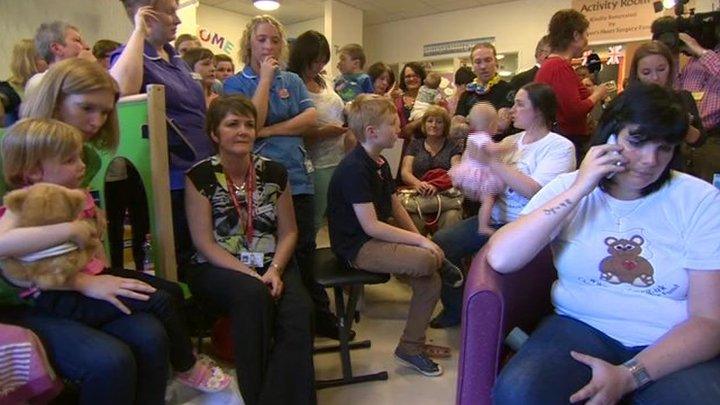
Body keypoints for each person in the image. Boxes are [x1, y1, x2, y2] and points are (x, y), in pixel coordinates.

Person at [489, 83, 720, 405]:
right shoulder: (570, 187)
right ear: (610, 134)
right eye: (637, 141)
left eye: (664, 148)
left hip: (669, 337)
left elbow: (709, 321)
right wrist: (581, 187)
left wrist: (630, 375)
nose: (650, 160)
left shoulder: (700, 200)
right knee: (518, 392)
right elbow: (501, 258)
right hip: (580, 325)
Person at [0, 118, 228, 404]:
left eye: (79, 157)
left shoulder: (75, 195)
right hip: (56, 293)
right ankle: (186, 365)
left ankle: (178, 360)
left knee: (169, 291)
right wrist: (70, 230)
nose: (82, 165)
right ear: (33, 172)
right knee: (159, 302)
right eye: (70, 160)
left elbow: (94, 248)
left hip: (91, 274)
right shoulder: (26, 201)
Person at [185, 96, 315, 405]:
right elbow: (203, 242)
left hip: (273, 262)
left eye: (248, 124)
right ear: (214, 134)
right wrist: (251, 275)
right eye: (232, 124)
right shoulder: (199, 176)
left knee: (299, 313)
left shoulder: (274, 171)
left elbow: (289, 232)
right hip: (217, 265)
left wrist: (275, 270)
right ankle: (255, 394)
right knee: (252, 297)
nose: (243, 131)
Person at [223, 15, 344, 339]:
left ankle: (311, 316)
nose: (269, 46)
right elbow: (250, 120)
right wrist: (264, 80)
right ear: (249, 42)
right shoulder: (235, 84)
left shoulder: (291, 79)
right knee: (267, 249)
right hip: (257, 182)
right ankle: (279, 317)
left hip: (298, 176)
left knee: (303, 248)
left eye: (275, 40)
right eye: (261, 39)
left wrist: (267, 130)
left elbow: (309, 118)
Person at [328, 94, 461, 376]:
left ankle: (410, 347)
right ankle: (440, 261)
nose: (399, 128)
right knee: (427, 262)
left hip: (371, 238)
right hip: (356, 247)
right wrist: (423, 243)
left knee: (430, 280)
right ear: (372, 132)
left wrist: (421, 239)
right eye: (392, 124)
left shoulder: (380, 162)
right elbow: (372, 226)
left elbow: (394, 204)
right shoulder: (354, 168)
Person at [430, 82, 576, 328]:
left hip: (526, 225)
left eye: (520, 104)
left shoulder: (559, 146)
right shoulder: (511, 140)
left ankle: (497, 320)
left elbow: (536, 191)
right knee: (443, 242)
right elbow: (487, 185)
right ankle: (457, 309)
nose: (512, 110)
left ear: (538, 110)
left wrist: (490, 161)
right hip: (495, 218)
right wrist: (468, 181)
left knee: (492, 261)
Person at [111, 0, 216, 268]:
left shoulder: (177, 59)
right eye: (170, 12)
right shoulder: (130, 55)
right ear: (145, 15)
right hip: (171, 178)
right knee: (181, 253)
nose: (177, 21)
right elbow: (121, 89)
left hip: (202, 170)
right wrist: (138, 31)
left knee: (205, 249)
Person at [20, 57, 149, 271]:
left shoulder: (89, 158)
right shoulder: (11, 149)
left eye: (105, 112)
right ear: (55, 101)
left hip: (70, 268)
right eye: (86, 108)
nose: (97, 122)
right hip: (25, 280)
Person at [288, 30, 348, 232]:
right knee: (313, 219)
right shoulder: (292, 83)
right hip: (316, 161)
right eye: (315, 61)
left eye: (323, 61)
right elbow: (293, 128)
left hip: (338, 156)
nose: (319, 66)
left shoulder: (323, 81)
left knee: (335, 215)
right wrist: (324, 132)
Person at [535, 9, 610, 160]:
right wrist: (597, 95)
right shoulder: (560, 67)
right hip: (567, 142)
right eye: (585, 35)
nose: (587, 42)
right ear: (576, 35)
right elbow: (573, 111)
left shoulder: (552, 66)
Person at [628, 40, 705, 172]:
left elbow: (699, 140)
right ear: (637, 74)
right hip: (636, 170)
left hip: (674, 170)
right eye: (646, 72)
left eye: (661, 69)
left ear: (670, 69)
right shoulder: (627, 102)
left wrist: (681, 124)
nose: (655, 77)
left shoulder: (682, 98)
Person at [399, 105, 462, 235]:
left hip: (445, 195)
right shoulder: (415, 144)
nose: (434, 125)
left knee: (452, 216)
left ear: (445, 126)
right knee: (414, 220)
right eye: (430, 121)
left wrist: (437, 185)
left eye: (439, 122)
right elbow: (405, 172)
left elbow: (457, 172)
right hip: (417, 194)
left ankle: (445, 254)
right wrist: (418, 184)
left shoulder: (453, 146)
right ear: (424, 124)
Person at [449, 103, 510, 235]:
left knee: (477, 196)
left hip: (468, 170)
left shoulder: (473, 136)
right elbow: (491, 148)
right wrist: (506, 146)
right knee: (488, 200)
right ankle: (483, 226)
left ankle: (457, 183)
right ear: (490, 125)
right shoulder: (482, 137)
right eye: (496, 123)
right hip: (480, 173)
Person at [455, 43, 513, 136]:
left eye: (488, 60)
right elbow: (456, 128)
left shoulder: (508, 89)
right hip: (472, 148)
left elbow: (502, 125)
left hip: (499, 147)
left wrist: (469, 121)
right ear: (473, 65)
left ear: (496, 62)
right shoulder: (467, 93)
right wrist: (490, 121)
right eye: (478, 62)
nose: (483, 66)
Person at [25, 21, 95, 96]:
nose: (86, 47)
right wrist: (91, 68)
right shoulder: (39, 82)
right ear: (57, 48)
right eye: (77, 41)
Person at [1, 39, 47, 127]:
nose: (49, 62)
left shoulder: (47, 87)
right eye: (43, 58)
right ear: (28, 61)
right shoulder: (6, 91)